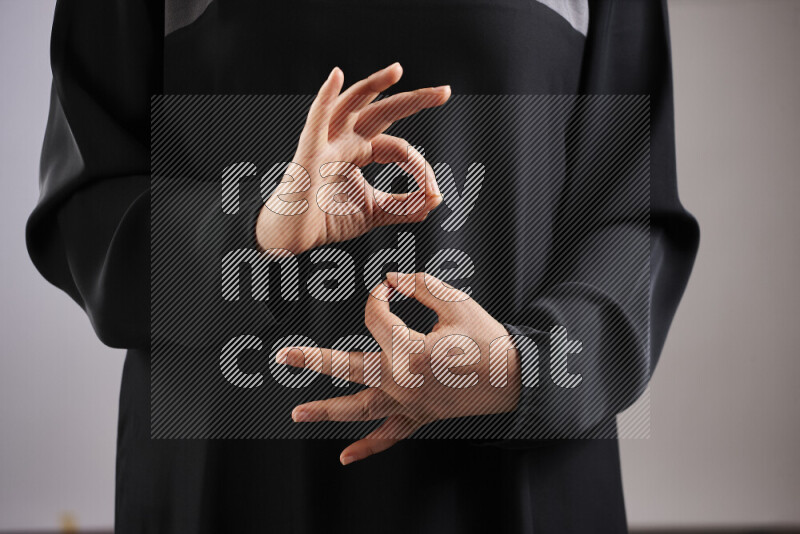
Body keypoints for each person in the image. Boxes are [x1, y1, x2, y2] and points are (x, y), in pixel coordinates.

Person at [27, 0, 699, 532]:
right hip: (231, 488)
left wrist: (524, 368)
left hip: (515, 487)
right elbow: (89, 206)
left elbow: (632, 210)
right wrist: (249, 232)